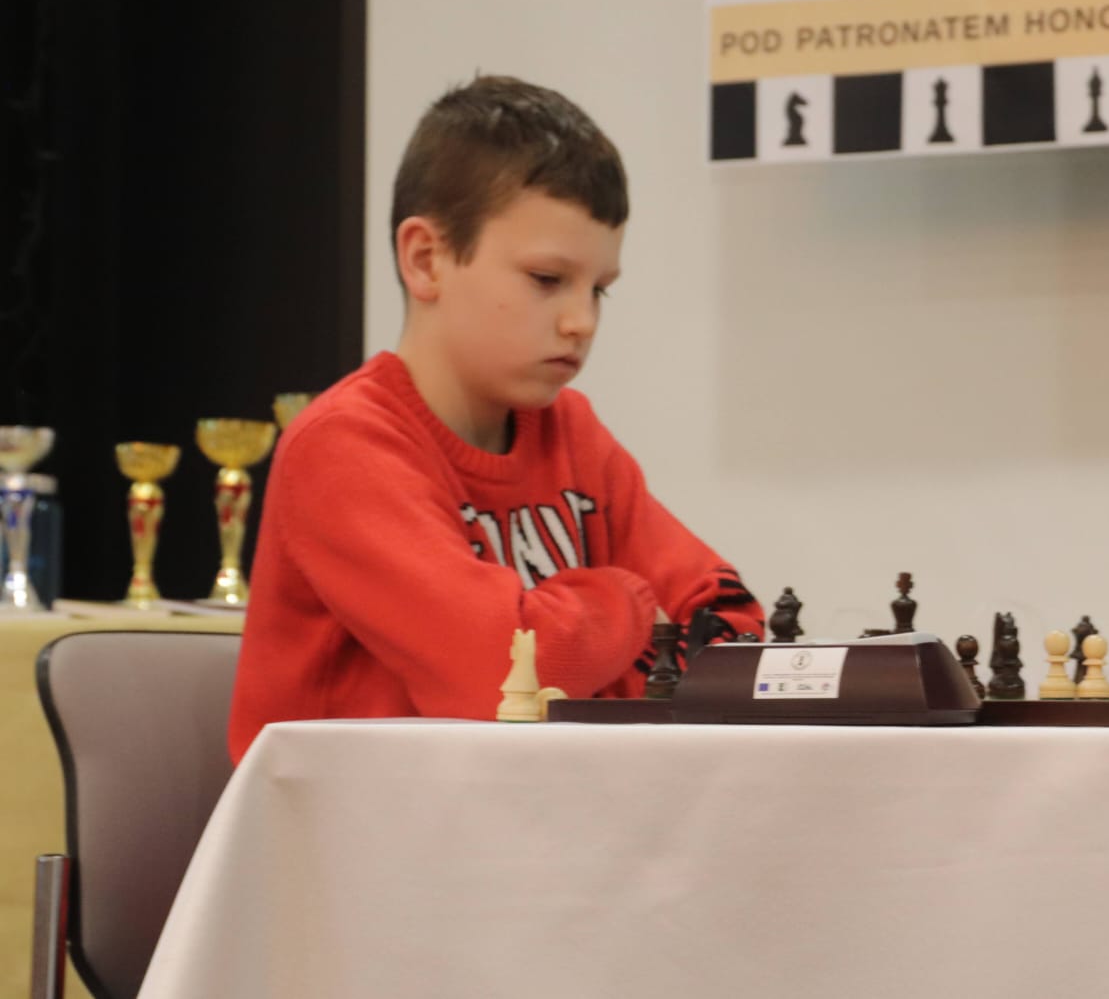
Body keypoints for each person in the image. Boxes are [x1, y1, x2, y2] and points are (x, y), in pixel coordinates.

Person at [228, 75, 761, 762]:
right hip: (362, 824)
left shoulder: (572, 432)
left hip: (533, 811)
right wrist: (629, 605)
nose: (582, 320)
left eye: (600, 290)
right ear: (426, 260)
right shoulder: (344, 446)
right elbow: (499, 679)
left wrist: (582, 646)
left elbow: (734, 627)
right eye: (547, 280)